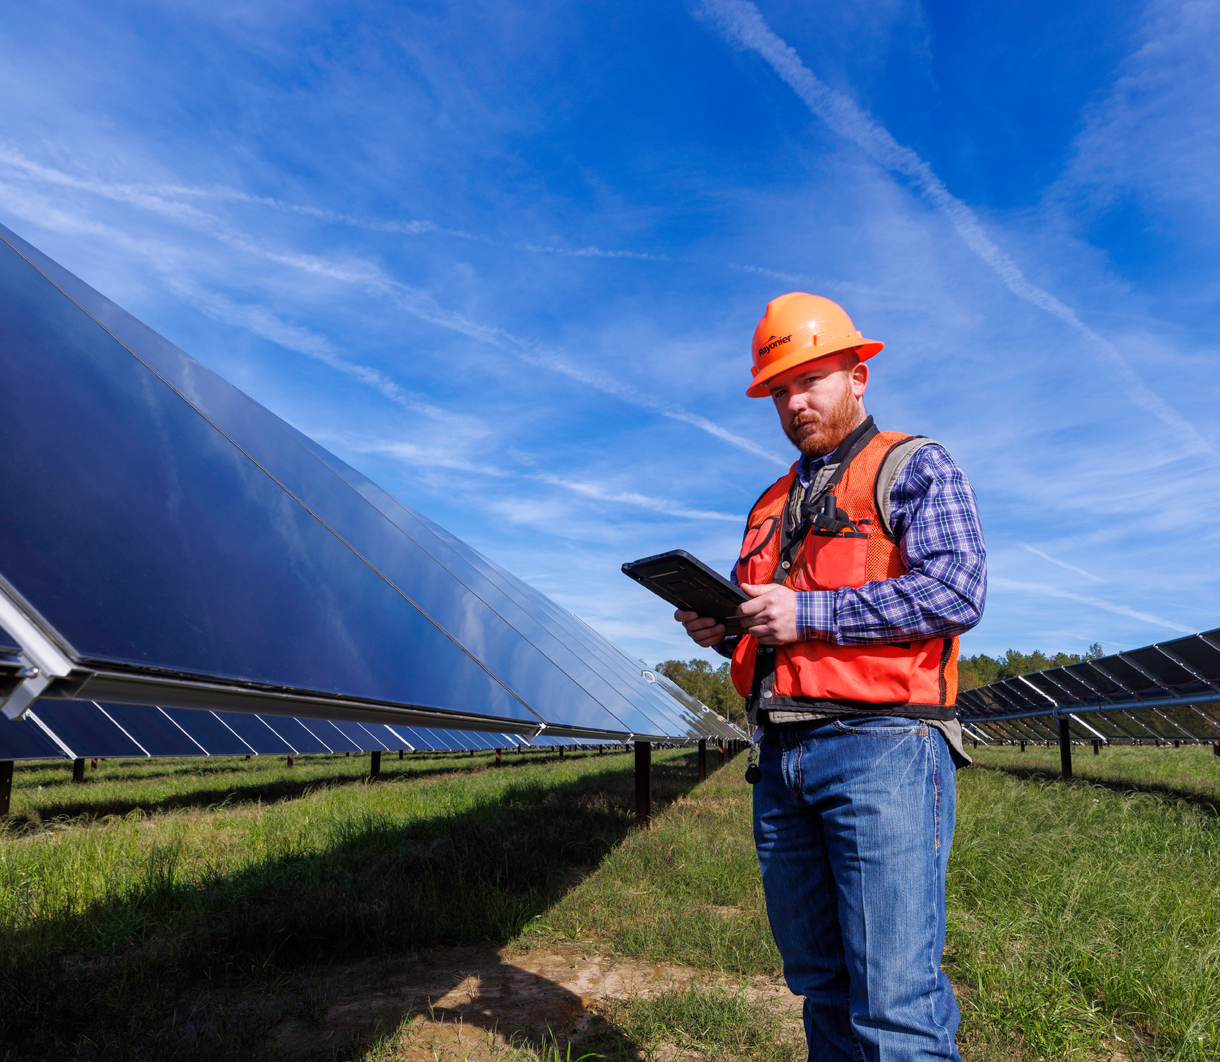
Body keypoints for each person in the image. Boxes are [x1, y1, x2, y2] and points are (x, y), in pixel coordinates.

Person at [676, 293, 986, 1061]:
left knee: (895, 1003)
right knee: (822, 986)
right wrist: (726, 630)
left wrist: (807, 615)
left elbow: (957, 591)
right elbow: (775, 633)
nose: (794, 401)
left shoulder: (914, 467)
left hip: (882, 748)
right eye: (778, 389)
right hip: (780, 760)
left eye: (811, 379)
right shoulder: (769, 503)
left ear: (858, 375)